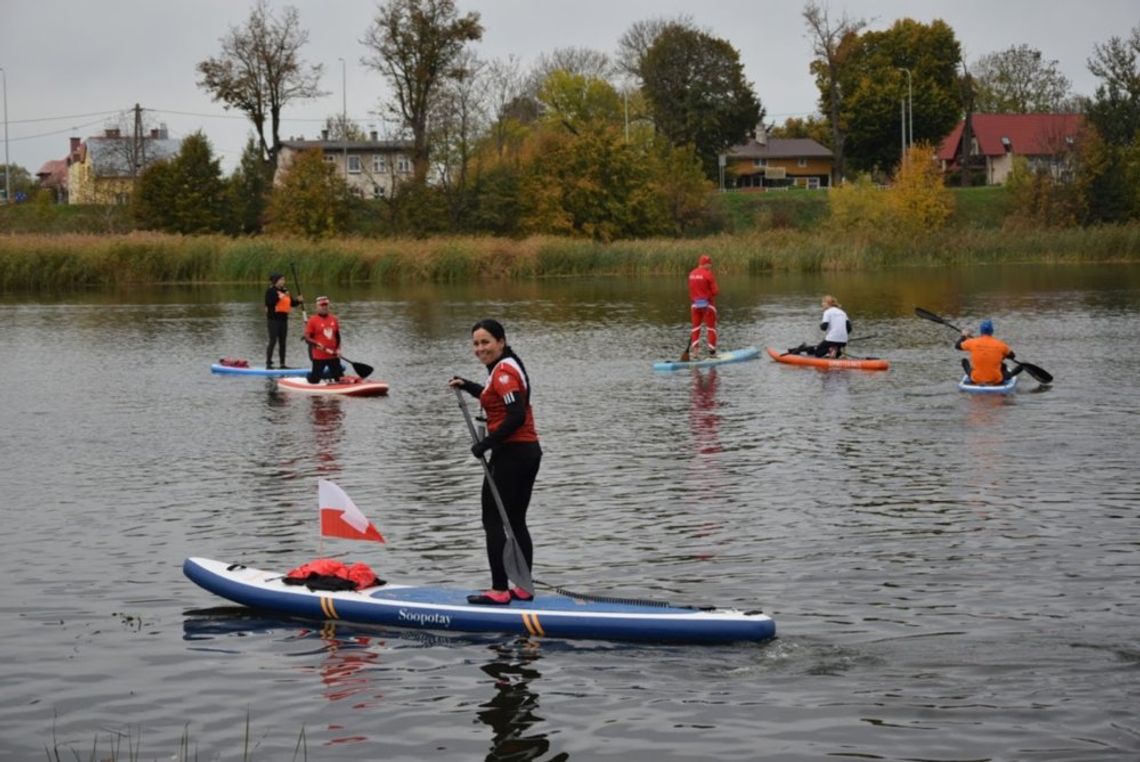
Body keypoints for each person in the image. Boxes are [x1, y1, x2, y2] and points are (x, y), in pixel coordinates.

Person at [449, 319, 542, 606]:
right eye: (476, 343)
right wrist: (468, 385)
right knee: (515, 521)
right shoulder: (507, 367)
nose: (480, 348)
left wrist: (485, 444)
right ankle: (523, 589)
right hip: (527, 452)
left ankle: (500, 590)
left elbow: (515, 415)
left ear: (501, 341)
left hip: (512, 454)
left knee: (492, 519)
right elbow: (496, 400)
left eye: (486, 342)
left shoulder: (503, 373)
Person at [956, 319, 1016, 384]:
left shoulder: (972, 342)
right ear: (992, 331)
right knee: (1004, 367)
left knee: (964, 361)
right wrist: (1003, 356)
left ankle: (974, 378)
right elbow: (1012, 356)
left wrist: (963, 336)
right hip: (996, 380)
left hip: (976, 379)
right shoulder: (1001, 344)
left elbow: (957, 346)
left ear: (981, 331)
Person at [264, 273, 302, 369]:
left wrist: (298, 300)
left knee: (283, 342)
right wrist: (280, 297)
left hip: (283, 320)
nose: (283, 281)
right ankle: (268, 363)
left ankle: (282, 364)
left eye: (284, 280)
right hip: (273, 320)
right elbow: (270, 303)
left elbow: (292, 304)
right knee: (273, 341)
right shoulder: (270, 291)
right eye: (281, 280)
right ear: (275, 281)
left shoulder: (286, 291)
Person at [303, 296, 344, 384]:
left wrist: (339, 349)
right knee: (315, 380)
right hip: (319, 356)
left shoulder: (334, 319)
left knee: (340, 379)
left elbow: (337, 336)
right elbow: (307, 338)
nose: (324, 307)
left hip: (333, 355)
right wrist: (317, 344)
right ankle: (309, 376)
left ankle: (332, 381)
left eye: (326, 305)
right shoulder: (312, 320)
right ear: (317, 307)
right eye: (322, 305)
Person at [688, 254, 719, 358]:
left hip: (695, 305)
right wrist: (707, 295)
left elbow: (691, 289)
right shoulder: (708, 274)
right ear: (706, 264)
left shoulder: (691, 274)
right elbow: (715, 292)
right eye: (709, 264)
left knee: (695, 328)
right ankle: (712, 353)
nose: (710, 266)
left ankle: (695, 353)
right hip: (707, 305)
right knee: (711, 329)